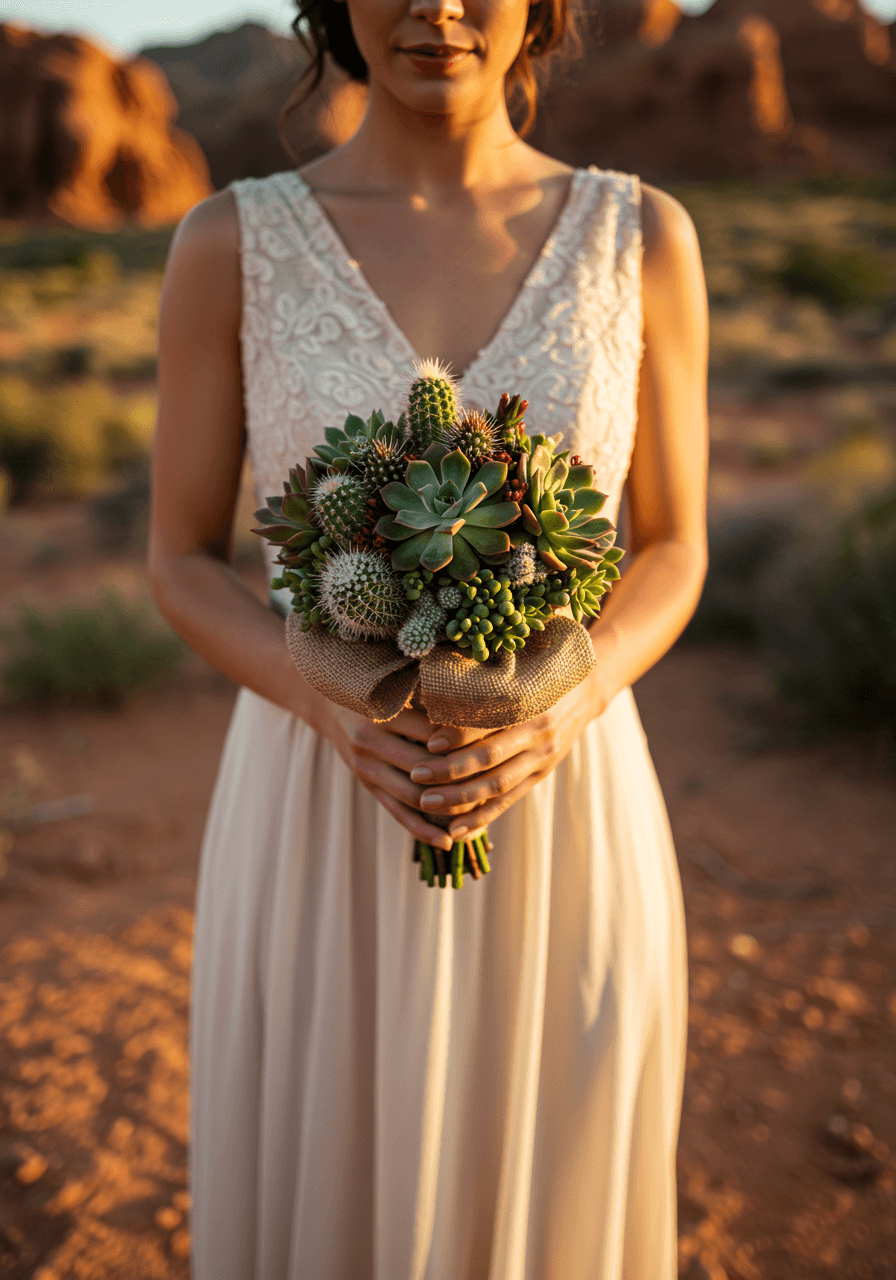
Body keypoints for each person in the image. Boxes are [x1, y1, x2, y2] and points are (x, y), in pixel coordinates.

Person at [148, 0, 708, 1273]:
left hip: (563, 793)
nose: (436, 6)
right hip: (316, 795)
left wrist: (564, 698)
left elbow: (673, 545)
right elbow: (179, 559)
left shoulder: (642, 237)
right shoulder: (230, 241)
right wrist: (335, 698)